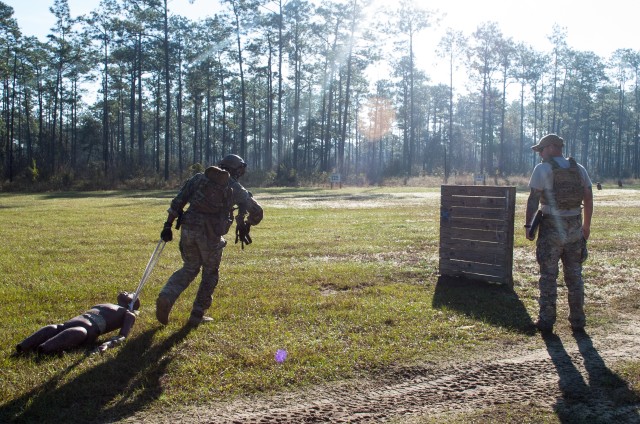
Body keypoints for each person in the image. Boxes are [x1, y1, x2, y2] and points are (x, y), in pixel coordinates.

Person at [156, 154, 263, 327]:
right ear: (236, 170)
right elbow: (257, 211)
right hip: (211, 235)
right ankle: (196, 315)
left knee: (190, 267)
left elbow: (177, 203)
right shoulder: (235, 187)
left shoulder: (198, 178)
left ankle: (167, 296)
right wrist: (247, 223)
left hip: (189, 229)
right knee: (210, 273)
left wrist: (167, 226)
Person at [525, 134, 593, 334]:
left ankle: (546, 322)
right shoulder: (578, 169)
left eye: (542, 150)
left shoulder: (542, 169)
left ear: (552, 148)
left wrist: (529, 227)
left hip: (551, 228)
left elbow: (533, 200)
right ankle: (578, 321)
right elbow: (588, 198)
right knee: (575, 277)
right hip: (575, 227)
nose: (541, 154)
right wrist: (586, 227)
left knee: (548, 276)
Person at [16, 292, 140, 354]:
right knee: (54, 328)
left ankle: (43, 349)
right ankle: (24, 346)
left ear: (133, 303)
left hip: (87, 330)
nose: (126, 292)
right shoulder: (108, 304)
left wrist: (108, 344)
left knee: (77, 332)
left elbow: (123, 335)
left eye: (131, 293)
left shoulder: (128, 314)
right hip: (72, 322)